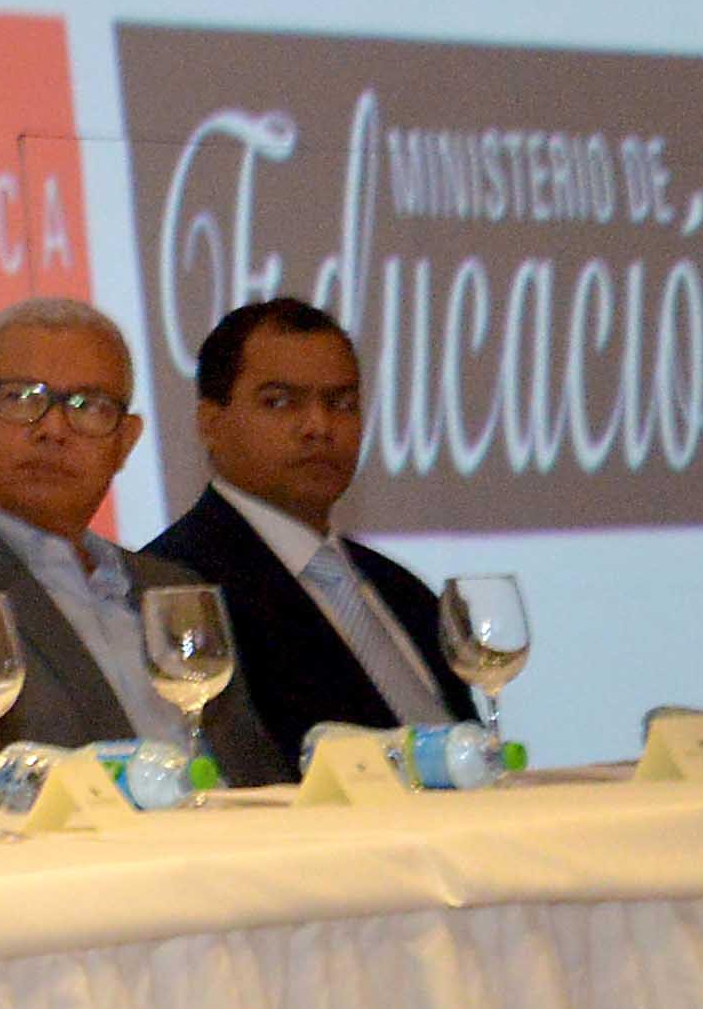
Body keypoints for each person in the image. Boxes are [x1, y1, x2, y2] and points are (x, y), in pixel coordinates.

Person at [0, 295, 291, 809]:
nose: (53, 429)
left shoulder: (173, 588)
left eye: (88, 406)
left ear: (126, 442)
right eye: (20, 397)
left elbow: (258, 779)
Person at [142, 294, 473, 744]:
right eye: (280, 402)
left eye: (341, 403)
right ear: (210, 424)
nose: (319, 426)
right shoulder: (177, 587)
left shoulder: (401, 590)